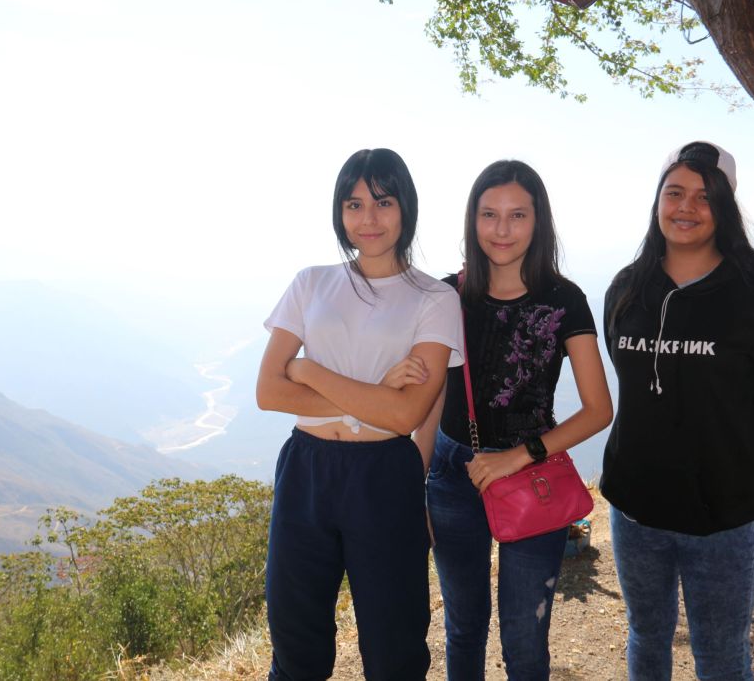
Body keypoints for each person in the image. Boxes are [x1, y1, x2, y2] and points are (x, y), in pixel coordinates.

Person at [256, 148, 464, 681]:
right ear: (339, 212)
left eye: (383, 202)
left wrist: (308, 370)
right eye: (354, 204)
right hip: (306, 471)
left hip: (385, 474)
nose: (368, 218)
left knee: (395, 647)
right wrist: (375, 395)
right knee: (295, 640)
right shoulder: (311, 282)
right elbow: (269, 391)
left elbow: (407, 414)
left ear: (406, 207)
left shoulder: (435, 298)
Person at [601, 141, 754, 680]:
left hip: (723, 518)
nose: (686, 207)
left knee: (720, 656)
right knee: (646, 637)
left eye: (704, 196)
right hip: (635, 509)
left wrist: (721, 448)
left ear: (726, 208)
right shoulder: (627, 288)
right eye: (674, 193)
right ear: (657, 201)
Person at [408, 159, 613, 680]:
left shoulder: (564, 300)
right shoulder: (446, 295)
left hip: (533, 475)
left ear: (538, 221)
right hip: (452, 474)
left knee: (524, 641)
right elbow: (431, 400)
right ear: (472, 220)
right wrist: (415, 485)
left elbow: (599, 409)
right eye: (489, 214)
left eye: (518, 215)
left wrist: (516, 458)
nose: (502, 229)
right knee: (463, 627)